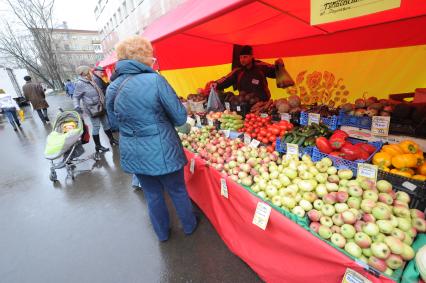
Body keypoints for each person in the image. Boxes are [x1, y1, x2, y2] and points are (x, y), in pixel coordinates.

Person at [106, 36, 198, 242]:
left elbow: (113, 122)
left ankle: (162, 233)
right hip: (163, 147)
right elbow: (179, 117)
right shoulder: (155, 80)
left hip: (133, 148)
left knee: (152, 195)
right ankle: (189, 226)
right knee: (177, 190)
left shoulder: (112, 87)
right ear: (145, 56)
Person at [212, 45, 284, 101]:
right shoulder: (238, 71)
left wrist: (279, 66)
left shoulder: (260, 66)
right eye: (241, 57)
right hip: (244, 103)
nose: (242, 60)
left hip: (263, 103)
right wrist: (217, 83)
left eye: (245, 57)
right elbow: (227, 79)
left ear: (252, 56)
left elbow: (274, 72)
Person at [73, 65, 118, 152]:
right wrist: (77, 106)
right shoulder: (80, 83)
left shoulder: (91, 80)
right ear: (84, 73)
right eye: (89, 71)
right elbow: (75, 97)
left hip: (100, 106)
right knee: (96, 127)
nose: (91, 72)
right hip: (92, 109)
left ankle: (112, 140)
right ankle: (98, 146)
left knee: (106, 124)